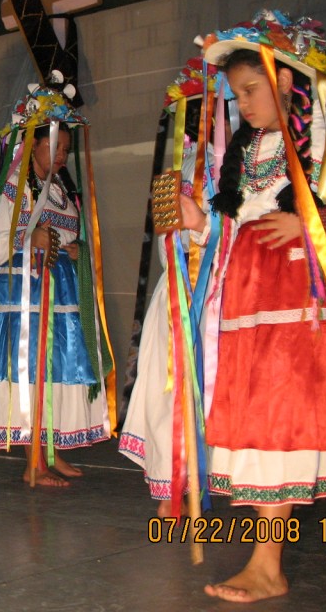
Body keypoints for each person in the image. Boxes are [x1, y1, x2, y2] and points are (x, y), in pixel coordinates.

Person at [182, 11, 326, 602]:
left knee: (288, 429)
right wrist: (201, 223)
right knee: (302, 433)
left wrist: (310, 225)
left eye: (251, 89)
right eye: (236, 94)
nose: (243, 104)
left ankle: (267, 567)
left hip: (305, 313)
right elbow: (238, 231)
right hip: (246, 312)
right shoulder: (246, 153)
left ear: (286, 80)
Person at [0, 86, 112, 488]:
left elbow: (68, 237)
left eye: (65, 150)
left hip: (61, 296)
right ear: (31, 146)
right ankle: (33, 463)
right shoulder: (13, 192)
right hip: (27, 299)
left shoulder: (60, 192)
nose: (60, 156)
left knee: (57, 372)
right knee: (32, 373)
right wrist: (27, 239)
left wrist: (75, 250)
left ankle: (52, 452)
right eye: (54, 147)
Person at [119, 59, 218, 516]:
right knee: (169, 391)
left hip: (222, 297)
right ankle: (171, 486)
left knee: (214, 391)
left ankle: (208, 481)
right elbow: (166, 246)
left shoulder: (240, 172)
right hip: (179, 297)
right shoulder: (173, 179)